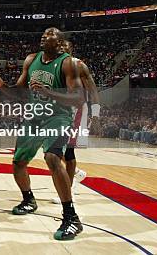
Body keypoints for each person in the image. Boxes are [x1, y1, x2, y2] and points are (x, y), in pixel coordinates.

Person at [0, 28, 85, 240]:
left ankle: (71, 217)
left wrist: (48, 91)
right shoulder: (31, 60)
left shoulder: (67, 63)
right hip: (34, 117)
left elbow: (78, 98)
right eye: (43, 33)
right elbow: (19, 93)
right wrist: (1, 85)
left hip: (58, 117)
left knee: (52, 157)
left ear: (59, 42)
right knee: (18, 163)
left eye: (50, 33)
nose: (44, 35)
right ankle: (28, 200)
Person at [50, 40, 101, 204]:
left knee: (68, 151)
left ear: (70, 50)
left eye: (64, 47)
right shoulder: (52, 66)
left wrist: (96, 114)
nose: (61, 49)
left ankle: (68, 190)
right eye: (59, 47)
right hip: (58, 111)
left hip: (75, 111)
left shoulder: (78, 65)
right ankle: (77, 173)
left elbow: (92, 89)